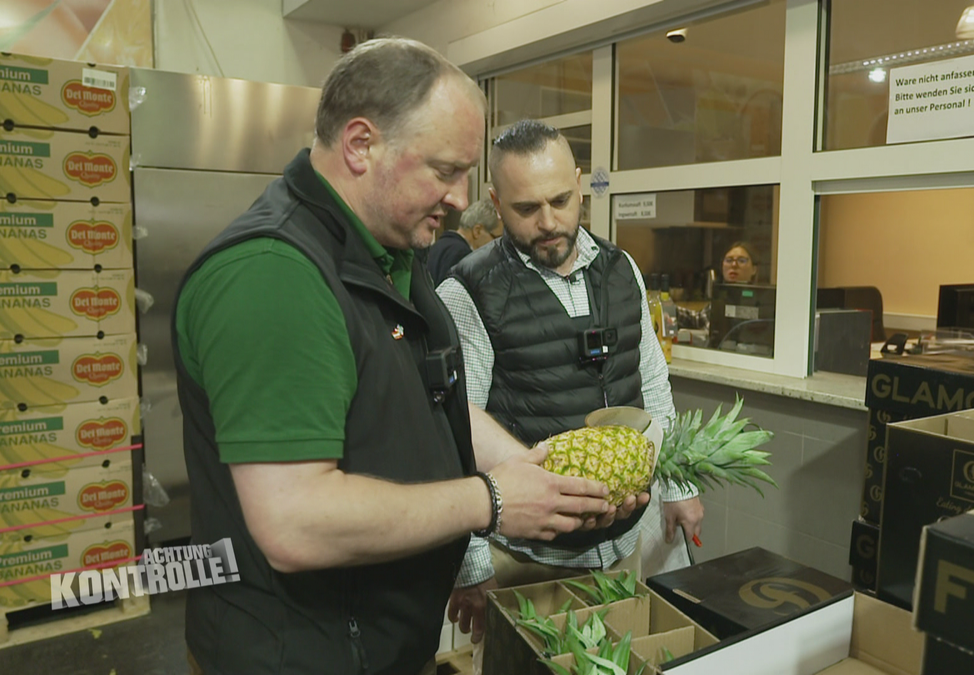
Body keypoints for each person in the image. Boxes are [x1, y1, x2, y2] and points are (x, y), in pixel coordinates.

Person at [172, 39, 630, 675]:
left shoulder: (389, 256)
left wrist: (535, 471)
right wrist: (493, 500)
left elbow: (432, 403)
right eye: (445, 171)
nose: (462, 198)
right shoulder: (274, 275)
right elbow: (295, 522)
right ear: (361, 145)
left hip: (378, 646)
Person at [437, 120, 704, 658]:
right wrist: (470, 562)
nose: (549, 222)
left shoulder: (621, 268)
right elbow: (451, 427)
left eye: (561, 200)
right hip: (524, 561)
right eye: (526, 208)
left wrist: (679, 485)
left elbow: (651, 383)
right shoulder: (468, 291)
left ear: (580, 184)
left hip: (623, 545)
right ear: (494, 201)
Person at [427, 199, 503, 285]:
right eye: (496, 238)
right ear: (477, 231)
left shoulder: (440, 245)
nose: (498, 245)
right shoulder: (462, 256)